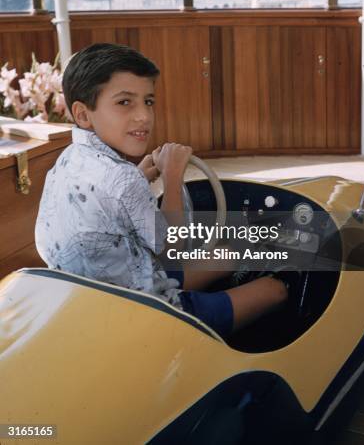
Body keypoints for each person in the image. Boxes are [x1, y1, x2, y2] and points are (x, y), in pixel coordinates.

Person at [35, 43, 287, 338]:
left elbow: (106, 203)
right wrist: (172, 177)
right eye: (125, 102)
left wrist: (141, 175)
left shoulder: (67, 159)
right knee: (276, 290)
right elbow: (171, 251)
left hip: (96, 295)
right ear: (83, 114)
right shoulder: (123, 179)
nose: (144, 116)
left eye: (149, 101)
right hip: (149, 311)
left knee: (225, 255)